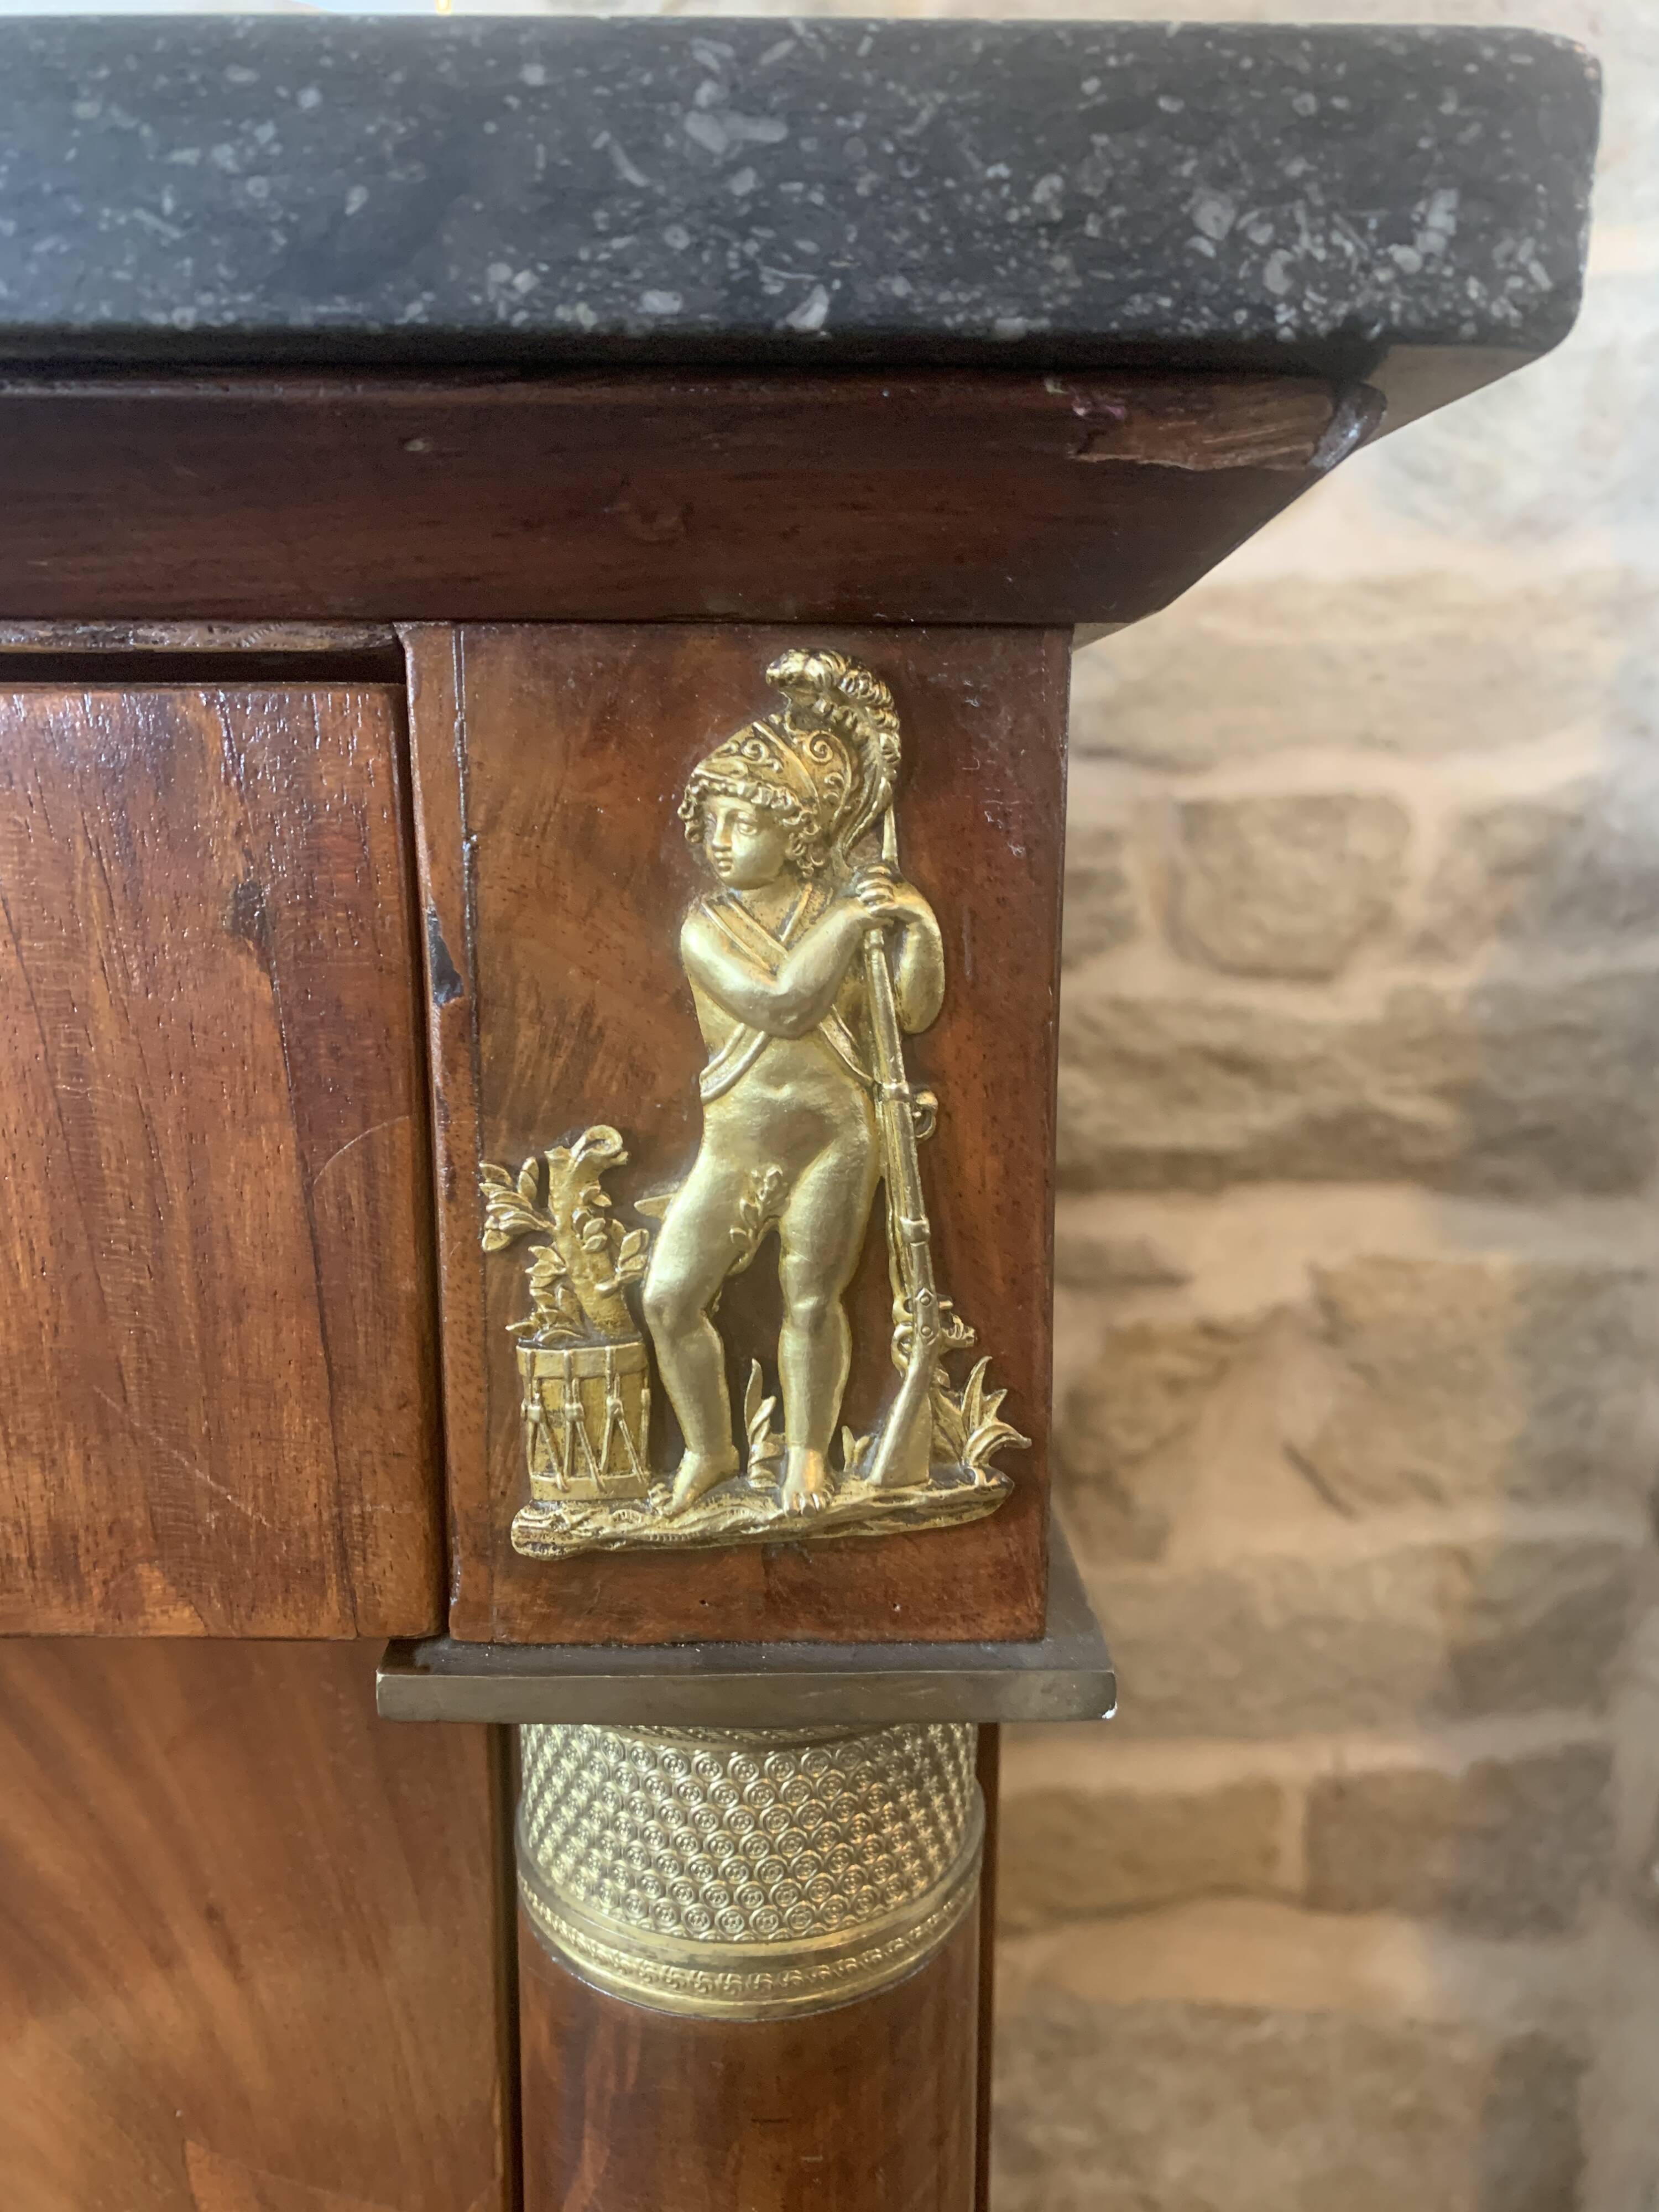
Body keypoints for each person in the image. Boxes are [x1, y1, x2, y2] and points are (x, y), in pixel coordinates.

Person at [642, 651, 945, 1515]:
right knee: (669, 1297)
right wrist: (855, 918)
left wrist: (913, 925)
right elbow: (779, 1005)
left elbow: (912, 1014)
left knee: (811, 1299)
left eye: (744, 823)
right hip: (738, 1142)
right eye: (713, 825)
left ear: (797, 831)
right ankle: (708, 1448)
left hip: (837, 1136)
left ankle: (808, 1458)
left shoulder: (838, 908)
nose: (720, 840)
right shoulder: (705, 924)